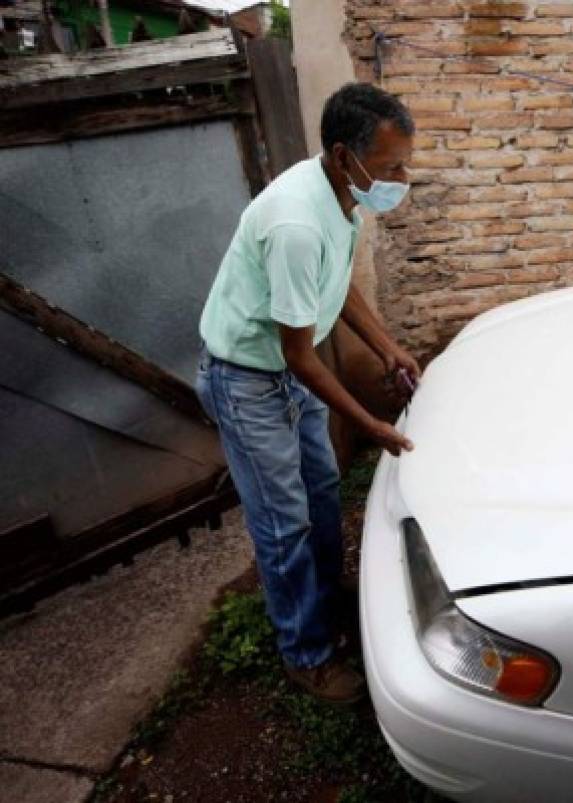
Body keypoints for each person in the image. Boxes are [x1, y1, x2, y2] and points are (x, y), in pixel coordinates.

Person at [195, 83, 420, 704]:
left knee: (321, 491)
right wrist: (371, 427)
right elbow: (299, 355)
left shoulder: (338, 194)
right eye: (391, 166)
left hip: (285, 375)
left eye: (404, 162)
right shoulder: (297, 221)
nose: (403, 177)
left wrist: (386, 346)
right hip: (249, 382)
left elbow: (336, 285)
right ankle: (306, 653)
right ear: (346, 155)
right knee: (283, 522)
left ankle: (324, 599)